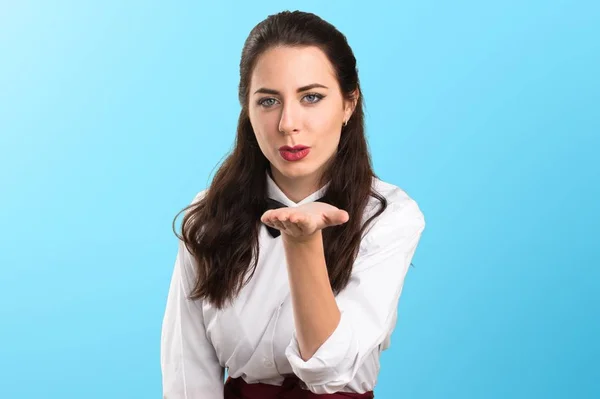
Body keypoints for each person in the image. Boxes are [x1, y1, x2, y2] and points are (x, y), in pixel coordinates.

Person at [160, 10, 426, 399]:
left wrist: (303, 244)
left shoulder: (389, 216)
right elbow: (187, 373)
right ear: (247, 111)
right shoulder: (208, 214)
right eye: (268, 101)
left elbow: (330, 370)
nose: (288, 123)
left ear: (349, 104)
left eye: (312, 97)